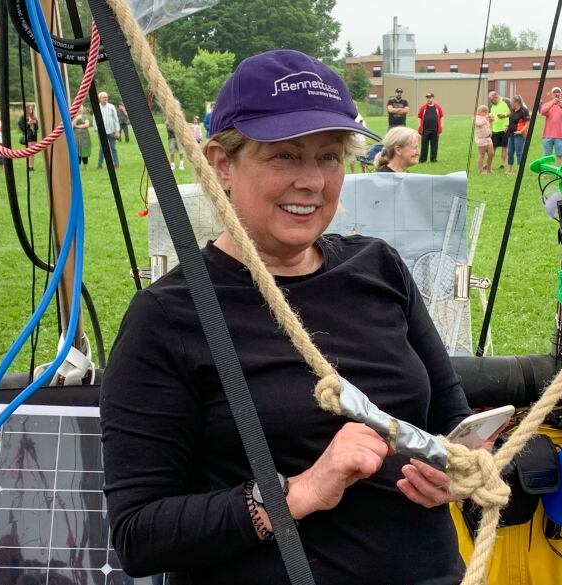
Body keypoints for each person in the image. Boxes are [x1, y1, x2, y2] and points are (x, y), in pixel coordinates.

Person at [101, 48, 472, 585]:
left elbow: (448, 419)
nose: (313, 182)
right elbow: (139, 534)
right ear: (222, 163)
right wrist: (296, 493)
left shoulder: (379, 268)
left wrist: (453, 470)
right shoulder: (171, 317)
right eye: (285, 157)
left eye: (329, 156)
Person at [539, 86, 562, 166]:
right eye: (555, 92)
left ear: (561, 94)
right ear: (552, 94)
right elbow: (542, 112)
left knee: (560, 155)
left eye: (558, 92)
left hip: (560, 135)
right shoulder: (547, 104)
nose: (557, 94)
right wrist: (552, 103)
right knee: (547, 156)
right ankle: (547, 172)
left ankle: (558, 172)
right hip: (547, 135)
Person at [505, 95, 529, 176]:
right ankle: (509, 171)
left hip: (519, 135)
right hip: (511, 134)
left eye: (512, 102)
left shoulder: (524, 110)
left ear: (517, 102)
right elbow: (512, 121)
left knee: (519, 153)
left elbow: (528, 123)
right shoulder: (512, 110)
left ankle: (519, 171)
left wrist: (521, 131)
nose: (511, 103)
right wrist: (507, 127)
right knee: (510, 152)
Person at [417, 92, 444, 163]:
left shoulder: (438, 107)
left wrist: (441, 126)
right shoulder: (423, 107)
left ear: (433, 98)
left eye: (430, 97)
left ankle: (433, 159)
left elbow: (441, 116)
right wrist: (419, 125)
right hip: (425, 130)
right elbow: (419, 117)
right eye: (427, 98)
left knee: (434, 145)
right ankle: (422, 159)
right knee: (424, 145)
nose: (428, 99)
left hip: (435, 130)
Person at [97, 91, 120, 169]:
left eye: (106, 97)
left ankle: (116, 164)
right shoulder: (97, 107)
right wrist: (97, 130)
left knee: (113, 147)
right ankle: (99, 164)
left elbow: (116, 119)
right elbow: (95, 119)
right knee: (102, 148)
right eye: (104, 97)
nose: (105, 98)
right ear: (99, 98)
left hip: (112, 131)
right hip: (102, 132)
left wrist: (117, 131)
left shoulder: (111, 107)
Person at [488, 90, 510, 170]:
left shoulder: (506, 101)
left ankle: (502, 164)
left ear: (496, 97)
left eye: (491, 99)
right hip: (495, 129)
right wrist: (490, 118)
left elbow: (512, 112)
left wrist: (503, 115)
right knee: (493, 147)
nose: (490, 101)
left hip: (505, 128)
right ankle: (489, 163)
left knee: (504, 147)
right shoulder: (491, 105)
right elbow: (490, 115)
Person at [18, 103, 39, 170]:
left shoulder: (34, 117)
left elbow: (37, 128)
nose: (31, 109)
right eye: (29, 108)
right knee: (30, 151)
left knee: (33, 152)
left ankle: (31, 166)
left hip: (34, 136)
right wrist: (28, 124)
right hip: (28, 135)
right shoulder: (22, 118)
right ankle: (30, 167)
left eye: (31, 108)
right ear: (26, 109)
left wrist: (35, 123)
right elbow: (22, 127)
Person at [474, 105, 494, 174]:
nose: (486, 113)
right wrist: (486, 119)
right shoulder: (476, 118)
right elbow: (479, 124)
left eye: (486, 112)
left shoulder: (484, 117)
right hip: (481, 139)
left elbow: (489, 124)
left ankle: (489, 169)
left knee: (491, 154)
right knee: (481, 155)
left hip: (488, 138)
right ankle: (480, 171)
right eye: (484, 112)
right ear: (480, 112)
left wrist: (491, 119)